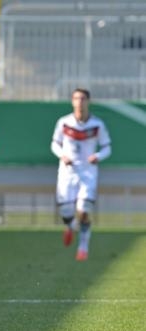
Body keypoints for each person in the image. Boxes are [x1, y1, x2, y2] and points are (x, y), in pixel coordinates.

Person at [51, 88, 111, 261]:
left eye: (83, 98)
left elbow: (107, 147)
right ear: (72, 101)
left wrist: (97, 156)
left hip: (87, 173)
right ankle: (70, 226)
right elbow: (54, 144)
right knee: (66, 212)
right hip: (67, 172)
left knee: (84, 211)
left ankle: (83, 246)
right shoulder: (64, 122)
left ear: (88, 101)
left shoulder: (97, 124)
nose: (80, 102)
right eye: (76, 98)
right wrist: (62, 155)